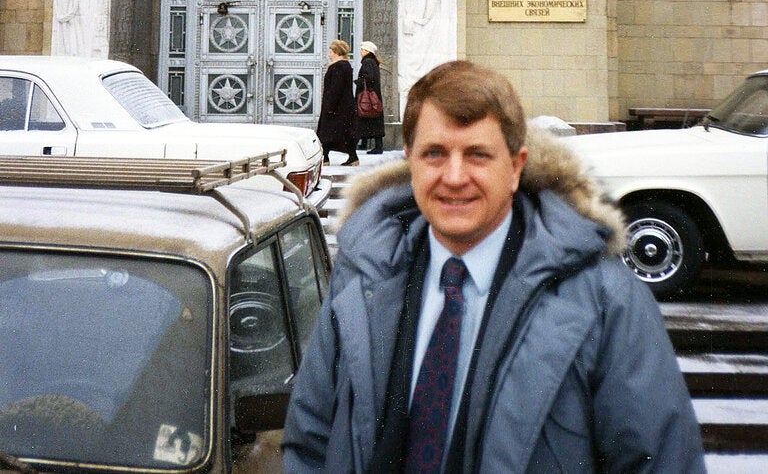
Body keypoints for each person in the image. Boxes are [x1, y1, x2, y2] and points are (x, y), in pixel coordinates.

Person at [282, 61, 705, 473]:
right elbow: (311, 437)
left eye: (478, 155)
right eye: (434, 153)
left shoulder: (605, 298)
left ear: (516, 167)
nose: (454, 176)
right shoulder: (361, 277)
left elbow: (659, 459)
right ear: (408, 159)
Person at [317, 39, 358, 166]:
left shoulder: (338, 67)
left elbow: (335, 88)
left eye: (330, 51)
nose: (329, 54)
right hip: (344, 106)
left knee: (327, 132)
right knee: (343, 133)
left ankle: (325, 158)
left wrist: (329, 106)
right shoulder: (345, 66)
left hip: (336, 107)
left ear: (336, 52)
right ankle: (352, 157)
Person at [355, 41, 385, 155]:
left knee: (362, 117)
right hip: (373, 97)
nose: (361, 52)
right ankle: (373, 145)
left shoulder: (367, 62)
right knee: (373, 120)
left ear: (368, 51)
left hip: (368, 97)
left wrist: (359, 82)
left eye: (362, 50)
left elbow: (369, 77)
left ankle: (364, 144)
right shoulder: (373, 62)